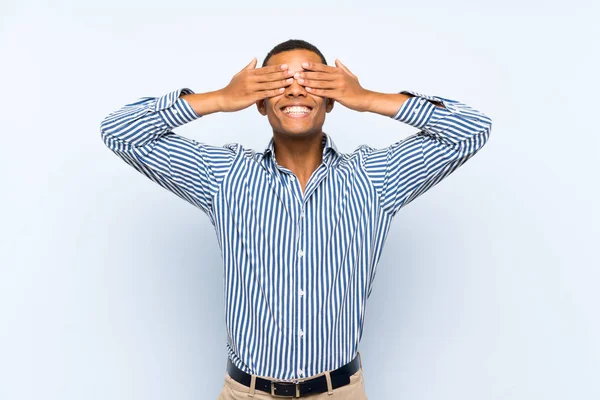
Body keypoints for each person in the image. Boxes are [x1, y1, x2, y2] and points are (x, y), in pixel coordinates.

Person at [100, 39, 492, 399]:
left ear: (331, 99)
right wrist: (219, 97)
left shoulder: (375, 178)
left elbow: (472, 129)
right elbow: (119, 132)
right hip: (247, 393)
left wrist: (368, 98)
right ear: (259, 101)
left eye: (311, 79)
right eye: (278, 81)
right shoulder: (226, 177)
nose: (295, 89)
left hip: (339, 392)